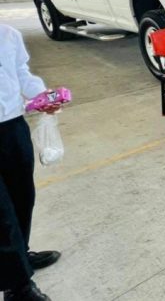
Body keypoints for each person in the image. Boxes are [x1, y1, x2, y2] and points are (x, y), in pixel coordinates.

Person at [1, 23, 61, 301]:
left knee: (22, 197)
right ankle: (17, 288)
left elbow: (21, 73)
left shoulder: (8, 35)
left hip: (12, 126)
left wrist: (41, 97)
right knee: (1, 215)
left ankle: (19, 256)